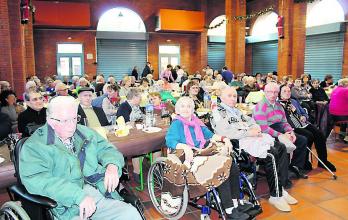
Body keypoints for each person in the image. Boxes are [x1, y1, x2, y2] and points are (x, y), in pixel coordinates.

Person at [19, 96, 142, 220]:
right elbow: (39, 180)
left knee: (130, 214)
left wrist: (112, 166)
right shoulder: (35, 146)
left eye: (74, 119)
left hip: (95, 191)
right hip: (64, 203)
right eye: (65, 121)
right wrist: (78, 195)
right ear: (51, 121)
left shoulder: (84, 133)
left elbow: (107, 149)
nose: (72, 126)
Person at [211, 87, 297, 212]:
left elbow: (251, 120)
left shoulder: (236, 110)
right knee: (271, 154)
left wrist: (255, 128)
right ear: (221, 97)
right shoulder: (217, 111)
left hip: (251, 138)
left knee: (281, 147)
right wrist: (248, 133)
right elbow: (226, 132)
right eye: (229, 96)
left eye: (234, 96)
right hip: (237, 144)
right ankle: (275, 196)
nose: (233, 98)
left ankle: (280, 188)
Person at [165, 96, 250, 219]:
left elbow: (209, 135)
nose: (186, 109)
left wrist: (224, 138)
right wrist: (184, 146)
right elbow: (170, 140)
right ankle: (229, 209)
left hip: (202, 152)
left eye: (189, 106)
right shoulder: (177, 123)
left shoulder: (196, 121)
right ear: (177, 110)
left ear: (193, 109)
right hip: (190, 158)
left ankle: (236, 201)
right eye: (182, 106)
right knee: (221, 167)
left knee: (232, 165)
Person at [253, 82, 308, 180]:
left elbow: (284, 122)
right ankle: (283, 173)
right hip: (267, 133)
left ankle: (295, 168)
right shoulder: (260, 106)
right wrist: (281, 135)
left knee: (302, 140)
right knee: (284, 144)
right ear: (265, 92)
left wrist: (291, 132)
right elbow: (264, 128)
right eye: (270, 92)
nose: (273, 94)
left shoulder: (279, 106)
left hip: (280, 130)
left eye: (275, 92)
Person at [279, 85, 336, 172]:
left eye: (288, 91)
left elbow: (303, 112)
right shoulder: (278, 104)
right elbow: (282, 120)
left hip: (303, 123)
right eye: (284, 91)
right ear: (280, 93)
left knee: (320, 134)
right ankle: (304, 161)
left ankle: (323, 161)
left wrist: (304, 117)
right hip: (293, 127)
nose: (287, 93)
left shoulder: (294, 101)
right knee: (308, 136)